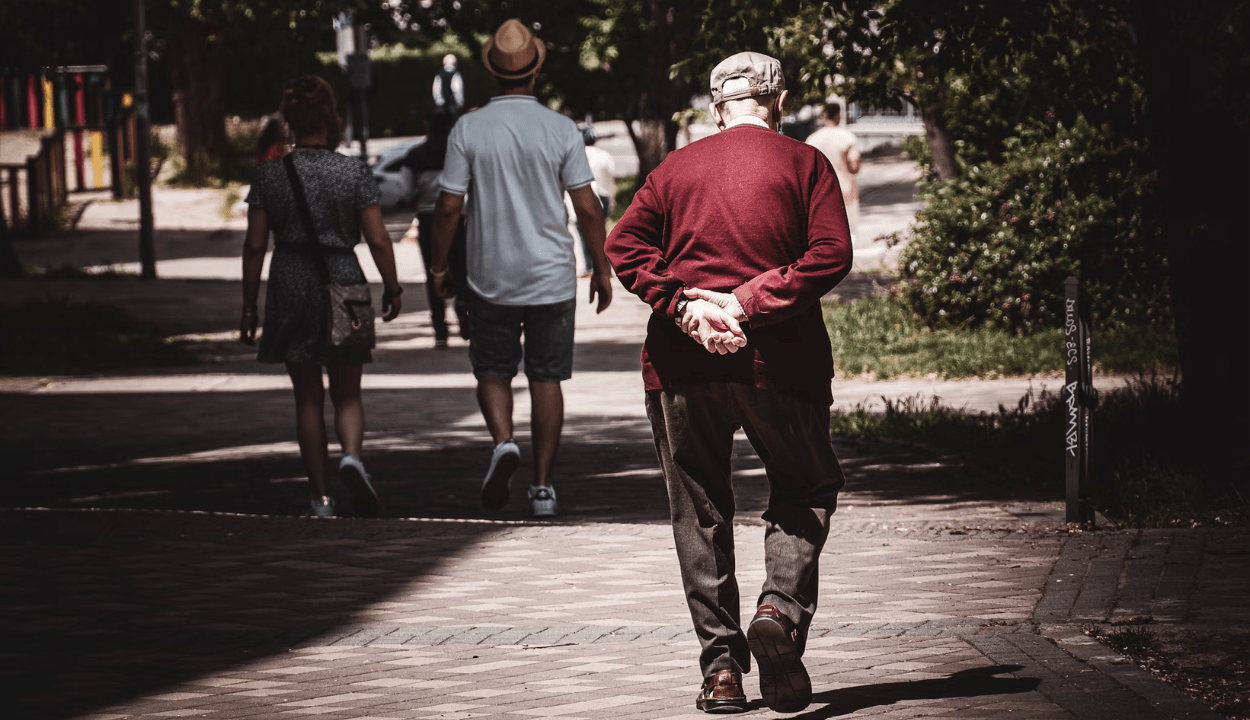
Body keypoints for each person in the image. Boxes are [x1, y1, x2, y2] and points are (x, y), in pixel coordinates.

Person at [605, 52, 853, 714]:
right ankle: (779, 610)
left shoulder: (673, 169)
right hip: (783, 364)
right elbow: (831, 254)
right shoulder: (805, 164)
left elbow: (623, 247)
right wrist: (746, 302)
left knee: (699, 512)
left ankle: (721, 673)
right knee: (806, 487)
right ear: (779, 102)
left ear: (716, 109)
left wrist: (686, 307)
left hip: (680, 366)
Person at [427, 19, 613, 518]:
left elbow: (448, 207)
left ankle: (504, 442)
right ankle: (543, 487)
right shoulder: (560, 128)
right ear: (535, 71)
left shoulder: (468, 128)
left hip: (490, 277)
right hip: (552, 276)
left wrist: (439, 266)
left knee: (492, 369)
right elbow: (588, 207)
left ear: (492, 72)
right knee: (547, 379)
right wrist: (601, 268)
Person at [240, 76, 403, 519]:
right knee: (348, 392)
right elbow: (378, 238)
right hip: (344, 279)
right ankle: (351, 456)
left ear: (288, 120)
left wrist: (249, 305)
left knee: (307, 397)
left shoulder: (269, 175)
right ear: (331, 118)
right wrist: (392, 287)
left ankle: (321, 498)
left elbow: (255, 245)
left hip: (291, 280)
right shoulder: (354, 171)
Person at [404, 109, 468, 346]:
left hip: (428, 219)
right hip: (459, 217)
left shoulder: (414, 156)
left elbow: (406, 190)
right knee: (462, 269)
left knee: (434, 271)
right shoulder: (460, 153)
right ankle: (463, 303)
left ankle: (440, 330)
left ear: (426, 125)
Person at [805, 103, 861, 240]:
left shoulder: (812, 139)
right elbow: (854, 167)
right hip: (845, 190)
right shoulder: (848, 137)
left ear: (824, 116)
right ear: (839, 115)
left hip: (819, 192)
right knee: (849, 232)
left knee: (825, 233)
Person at [575, 125, 616, 275]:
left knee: (582, 230)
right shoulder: (605, 155)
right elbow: (610, 180)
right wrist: (611, 199)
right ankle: (605, 266)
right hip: (603, 197)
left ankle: (589, 266)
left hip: (584, 196)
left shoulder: (577, 156)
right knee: (601, 232)